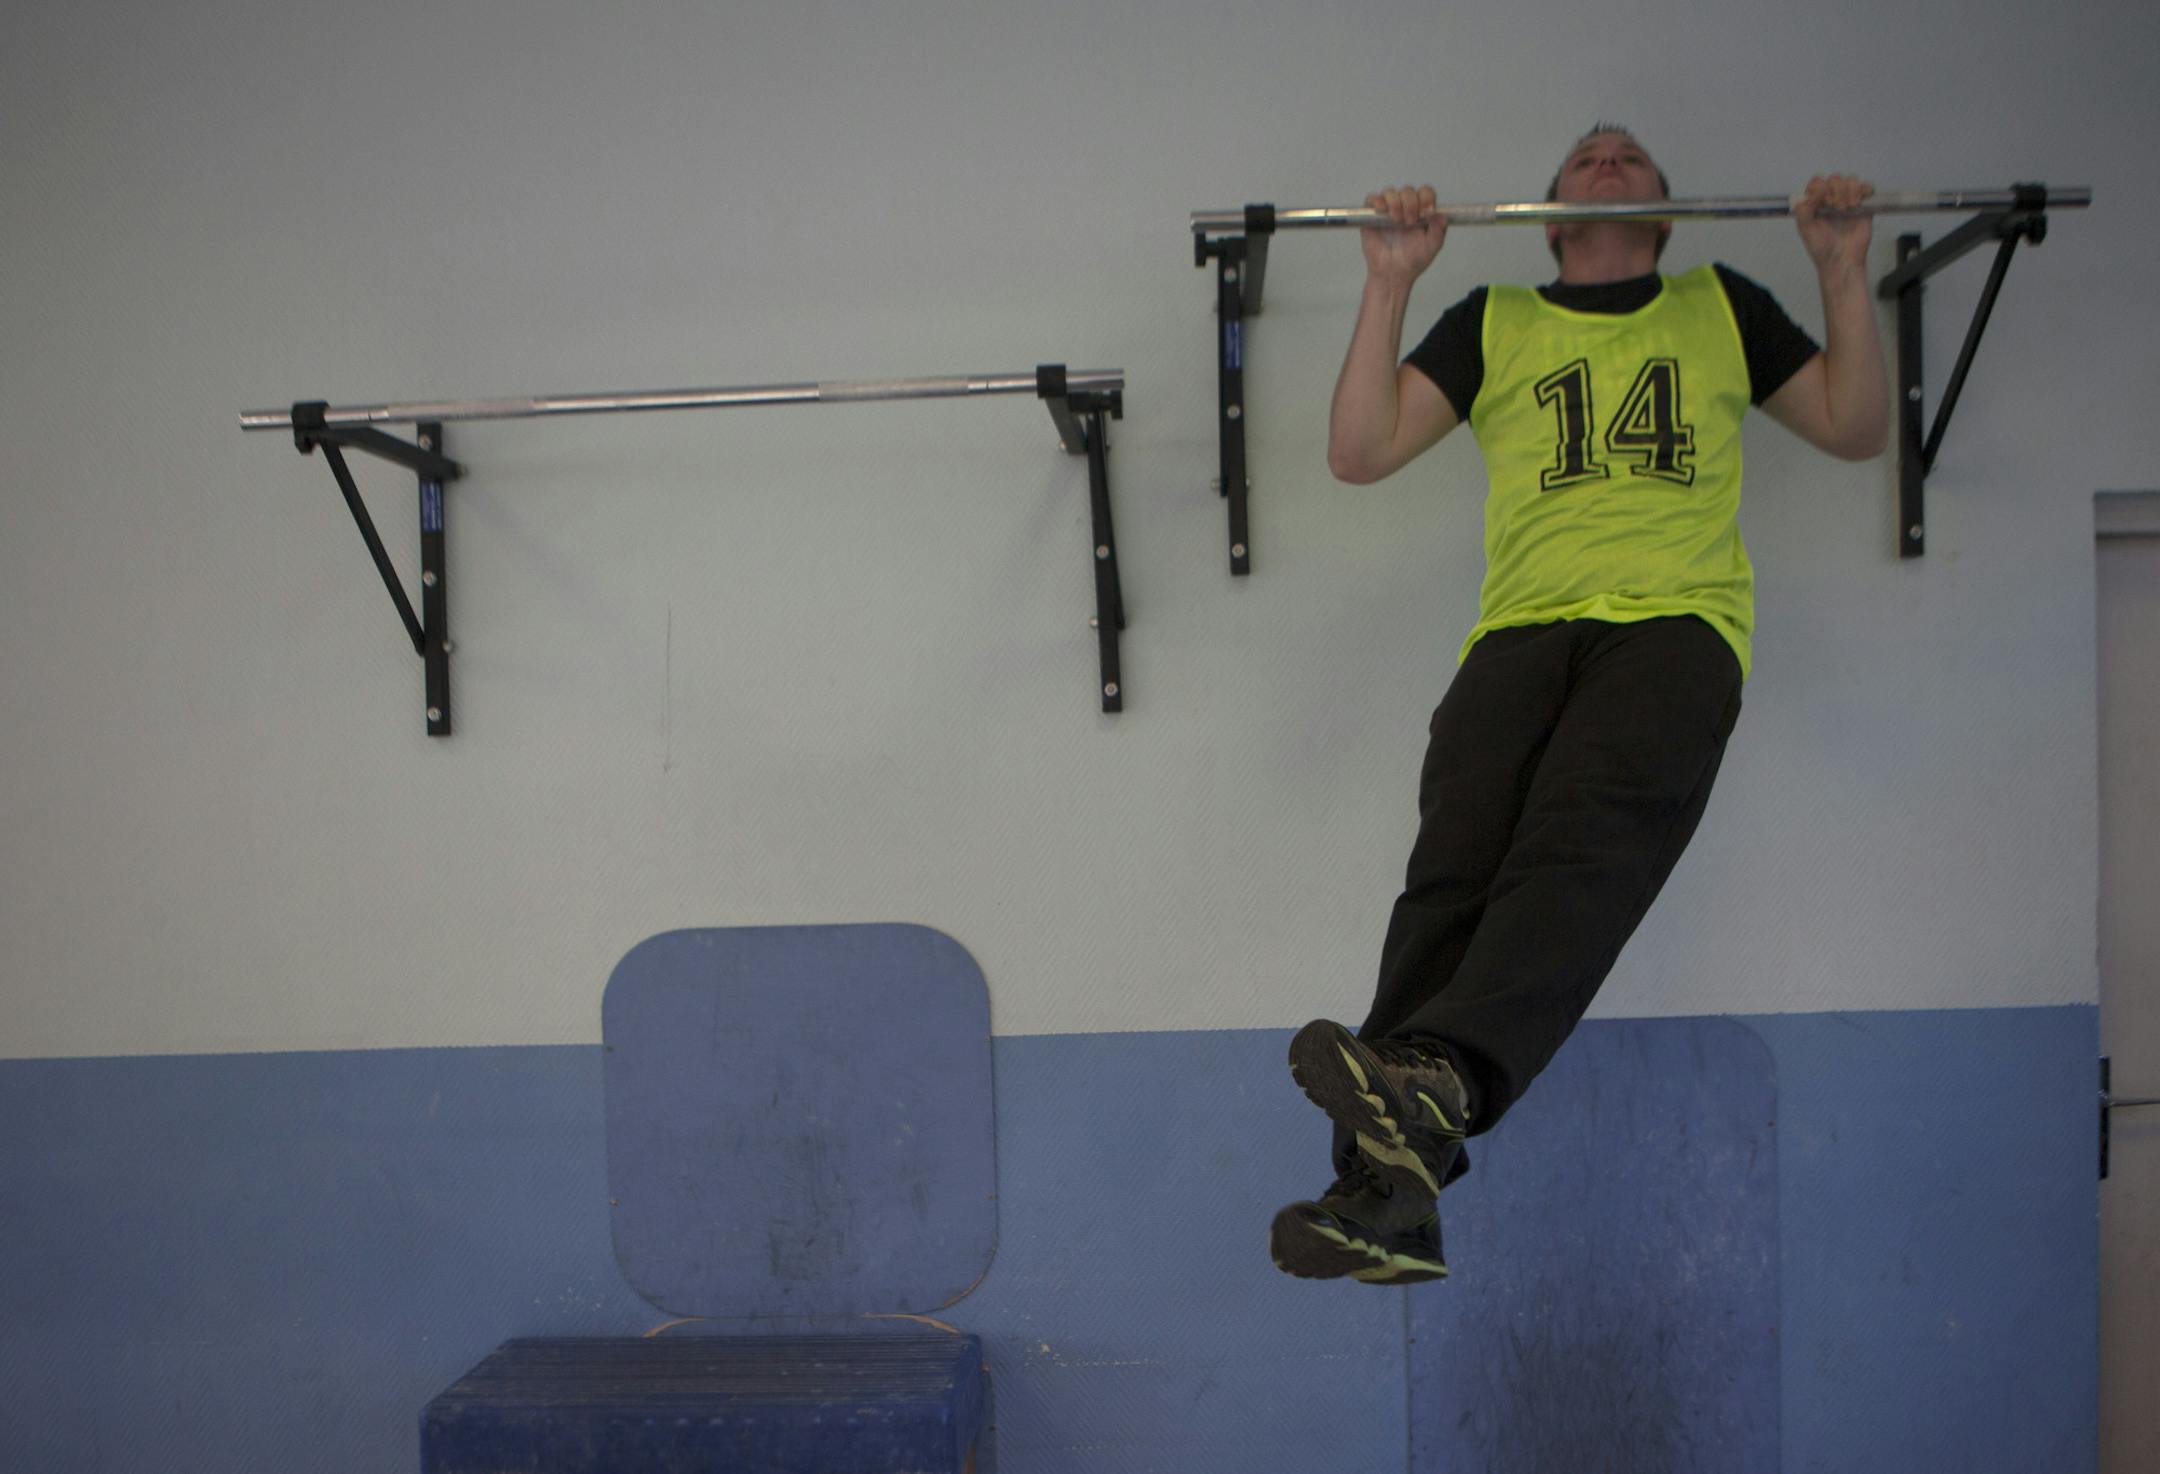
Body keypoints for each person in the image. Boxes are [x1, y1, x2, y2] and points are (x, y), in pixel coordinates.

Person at [1268, 125, 1888, 1284]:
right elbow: (1360, 450)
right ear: (1549, 219)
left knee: (1576, 853)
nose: (1609, 156)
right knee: (1450, 877)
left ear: (1663, 211)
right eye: (1586, 156)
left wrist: (1841, 267)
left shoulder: (1721, 302)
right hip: (1516, 633)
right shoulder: (1495, 321)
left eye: (1635, 155)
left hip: (1674, 625)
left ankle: (1442, 1081)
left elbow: (1855, 427)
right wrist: (1391, 281)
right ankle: (1388, 1190)